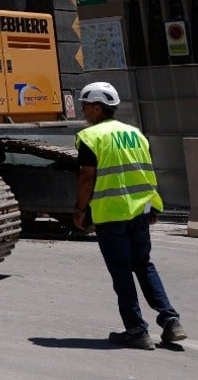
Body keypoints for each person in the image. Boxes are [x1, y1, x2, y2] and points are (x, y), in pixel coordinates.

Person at [73, 81, 185, 349]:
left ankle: (136, 330)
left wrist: (80, 210)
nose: (83, 110)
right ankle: (170, 321)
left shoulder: (91, 137)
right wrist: (154, 205)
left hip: (111, 215)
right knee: (144, 265)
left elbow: (87, 178)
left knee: (122, 272)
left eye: (86, 105)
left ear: (98, 107)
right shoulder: (136, 134)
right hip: (139, 212)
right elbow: (147, 173)